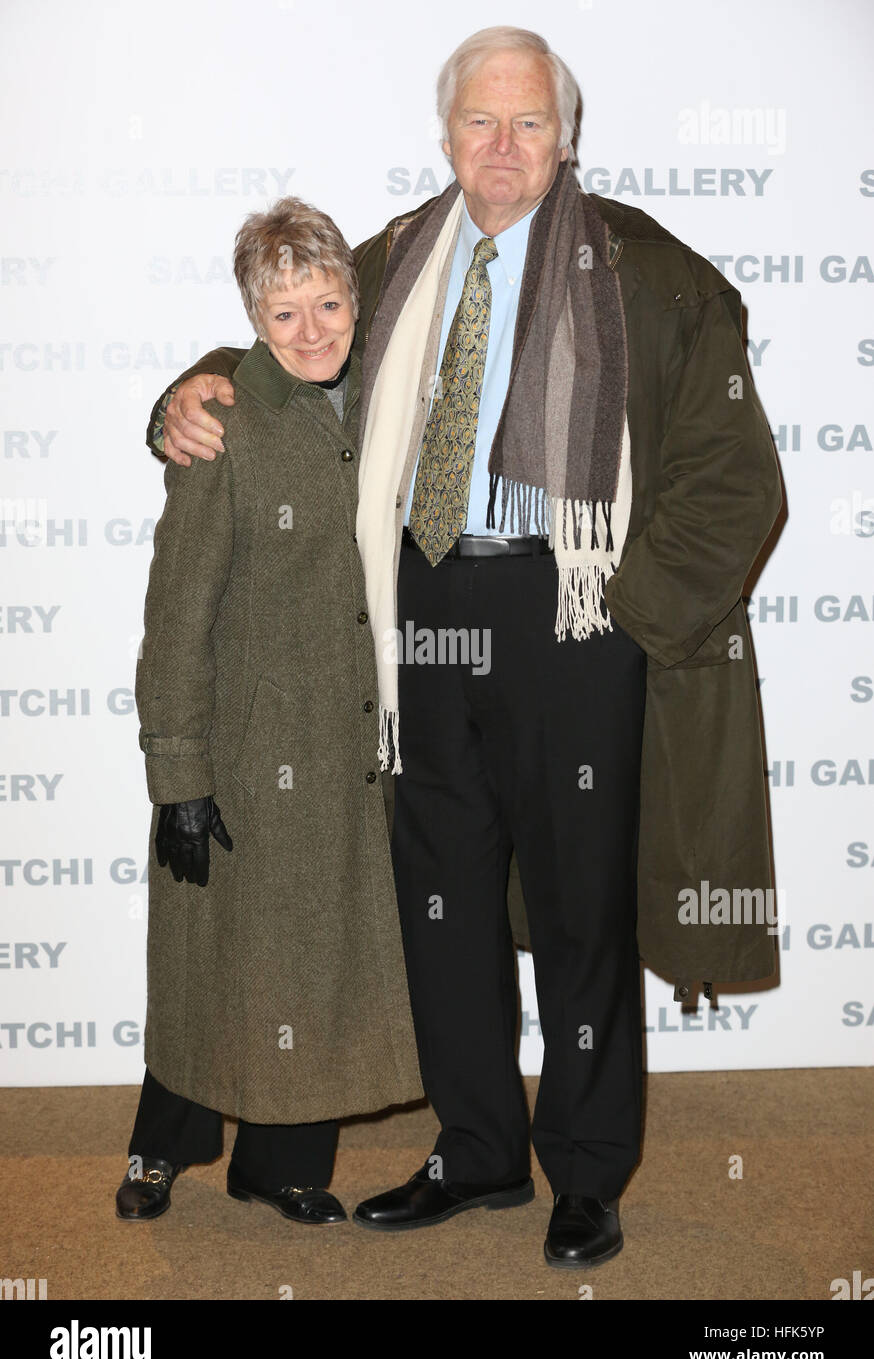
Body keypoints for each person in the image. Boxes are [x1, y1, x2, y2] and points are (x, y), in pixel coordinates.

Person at [145, 27, 782, 1267]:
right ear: (446, 136)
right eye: (480, 124)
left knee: (581, 904)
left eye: (528, 123)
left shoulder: (651, 277)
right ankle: (476, 1148)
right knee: (439, 899)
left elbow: (733, 484)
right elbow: (290, 351)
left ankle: (585, 1172)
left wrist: (622, 622)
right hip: (421, 612)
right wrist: (186, 388)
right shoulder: (392, 260)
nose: (502, 148)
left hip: (572, 613)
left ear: (566, 135)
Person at [116, 197, 422, 1227]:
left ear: (354, 298)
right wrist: (178, 775)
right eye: (282, 314)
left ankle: (282, 1162)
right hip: (246, 748)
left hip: (347, 750)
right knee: (215, 959)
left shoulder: (383, 394)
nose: (311, 331)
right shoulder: (225, 424)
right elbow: (176, 614)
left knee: (315, 956)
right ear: (252, 317)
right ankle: (161, 1147)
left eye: (327, 302)